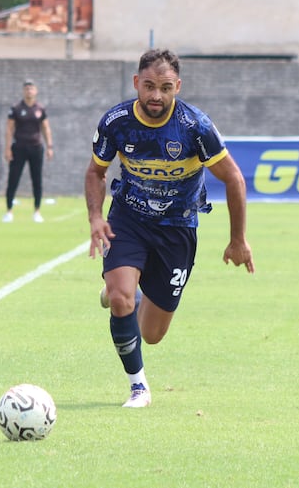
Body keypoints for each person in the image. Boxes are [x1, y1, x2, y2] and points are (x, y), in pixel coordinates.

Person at [84, 48, 255, 408]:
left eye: (164, 87)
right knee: (119, 298)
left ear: (177, 86)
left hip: (177, 228)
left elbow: (235, 179)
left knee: (152, 334)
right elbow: (96, 172)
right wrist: (96, 217)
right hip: (128, 219)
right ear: (136, 83)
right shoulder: (116, 122)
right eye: (148, 86)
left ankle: (136, 295)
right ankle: (138, 387)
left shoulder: (196, 127)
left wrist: (237, 239)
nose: (156, 96)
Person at [2, 79, 53, 223]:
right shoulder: (16, 108)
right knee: (13, 179)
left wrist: (49, 146)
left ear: (35, 91)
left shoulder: (40, 109)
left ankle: (37, 211)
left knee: (37, 180)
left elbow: (46, 128)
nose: (29, 91)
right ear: (23, 91)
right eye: (26, 89)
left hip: (36, 148)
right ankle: (9, 211)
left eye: (31, 88)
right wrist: (7, 149)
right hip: (19, 147)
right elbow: (9, 129)